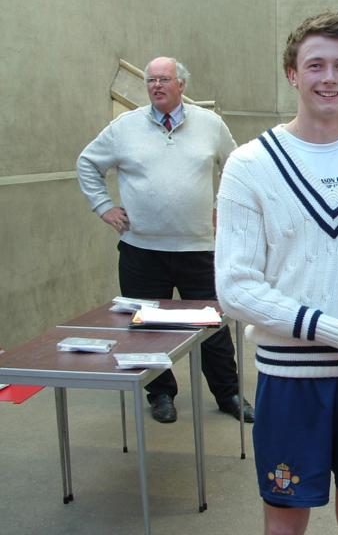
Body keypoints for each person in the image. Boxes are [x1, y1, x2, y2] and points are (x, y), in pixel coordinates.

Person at [214, 11, 338, 535]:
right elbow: (234, 288)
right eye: (315, 65)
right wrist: (334, 331)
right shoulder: (250, 163)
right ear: (293, 74)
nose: (329, 78)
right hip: (292, 375)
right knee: (284, 521)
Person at [77, 56, 253, 424]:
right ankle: (160, 394)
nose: (156, 86)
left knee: (212, 329)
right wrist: (104, 207)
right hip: (142, 251)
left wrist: (226, 208)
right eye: (151, 80)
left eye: (164, 79)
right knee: (146, 329)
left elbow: (237, 167)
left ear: (182, 85)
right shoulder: (124, 127)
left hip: (199, 250)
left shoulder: (210, 124)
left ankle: (229, 394)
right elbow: (87, 163)